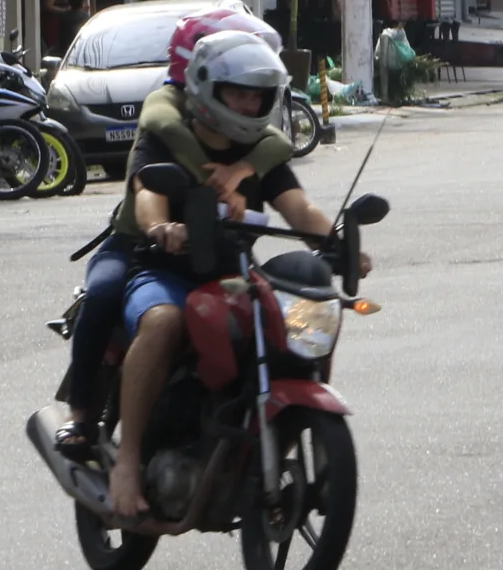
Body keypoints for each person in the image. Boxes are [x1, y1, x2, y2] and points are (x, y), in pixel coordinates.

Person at [98, 31, 344, 522]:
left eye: (257, 94)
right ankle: (126, 463)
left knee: (302, 307)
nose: (250, 103)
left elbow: (299, 208)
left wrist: (339, 243)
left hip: (229, 275)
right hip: (162, 269)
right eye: (239, 93)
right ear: (210, 88)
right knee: (165, 321)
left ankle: (267, 434)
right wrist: (161, 228)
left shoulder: (256, 153)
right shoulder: (166, 135)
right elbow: (146, 192)